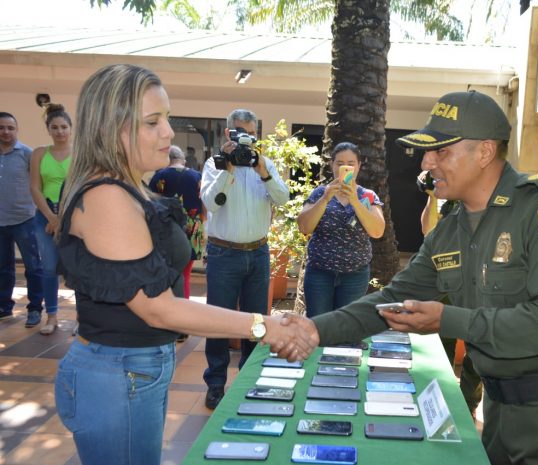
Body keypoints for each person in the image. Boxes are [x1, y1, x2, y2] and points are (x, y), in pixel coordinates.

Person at [287, 91, 538, 464]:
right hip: (499, 413)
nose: (426, 162)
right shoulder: (450, 230)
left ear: (484, 152)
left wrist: (449, 319)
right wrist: (313, 330)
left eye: (441, 151)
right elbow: (391, 299)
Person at [53, 64, 315, 465]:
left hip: (136, 370)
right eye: (153, 122)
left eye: (167, 118)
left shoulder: (127, 186)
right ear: (112, 127)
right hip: (118, 375)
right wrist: (263, 325)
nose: (169, 132)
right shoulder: (107, 196)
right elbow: (157, 307)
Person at [200, 108, 290, 409]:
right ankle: (215, 384)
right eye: (240, 132)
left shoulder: (265, 165)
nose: (246, 139)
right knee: (217, 322)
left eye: (251, 133)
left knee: (256, 323)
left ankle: (250, 381)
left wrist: (263, 172)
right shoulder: (214, 166)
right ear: (228, 134)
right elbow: (211, 203)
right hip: (224, 253)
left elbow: (283, 198)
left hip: (259, 253)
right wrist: (227, 171)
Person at [417, 169, 483, 420]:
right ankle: (442, 400)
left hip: (476, 281)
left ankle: (468, 405)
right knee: (441, 346)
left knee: (476, 350)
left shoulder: (480, 194)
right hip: (445, 280)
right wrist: (432, 197)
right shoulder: (444, 194)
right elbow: (428, 230)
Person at [297, 142, 385, 317]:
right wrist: (325, 198)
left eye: (351, 163)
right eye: (340, 163)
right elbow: (304, 227)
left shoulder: (367, 196)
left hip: (355, 275)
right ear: (332, 165)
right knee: (319, 325)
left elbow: (377, 231)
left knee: (347, 326)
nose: (345, 167)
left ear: (359, 166)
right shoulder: (319, 193)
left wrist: (354, 200)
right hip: (319, 274)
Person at [29, 103, 72, 335]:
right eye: (54, 127)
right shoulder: (38, 154)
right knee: (48, 267)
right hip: (44, 215)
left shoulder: (79, 153)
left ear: (71, 129)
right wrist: (50, 216)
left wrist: (61, 218)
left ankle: (83, 321)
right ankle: (52, 316)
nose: (60, 132)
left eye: (64, 127)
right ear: (48, 130)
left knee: (77, 269)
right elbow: (35, 187)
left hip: (74, 215)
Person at [0, 112, 44, 326]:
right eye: (2, 127)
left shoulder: (27, 154)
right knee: (3, 267)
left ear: (17, 130)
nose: (6, 132)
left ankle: (35, 308)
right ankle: (4, 306)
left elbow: (38, 185)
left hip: (25, 220)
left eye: (10, 127)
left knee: (33, 266)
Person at [148, 145, 205, 300]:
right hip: (192, 230)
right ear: (183, 160)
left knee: (163, 272)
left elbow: (150, 204)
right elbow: (204, 206)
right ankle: (183, 311)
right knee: (185, 275)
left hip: (165, 229)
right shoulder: (197, 176)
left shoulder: (159, 176)